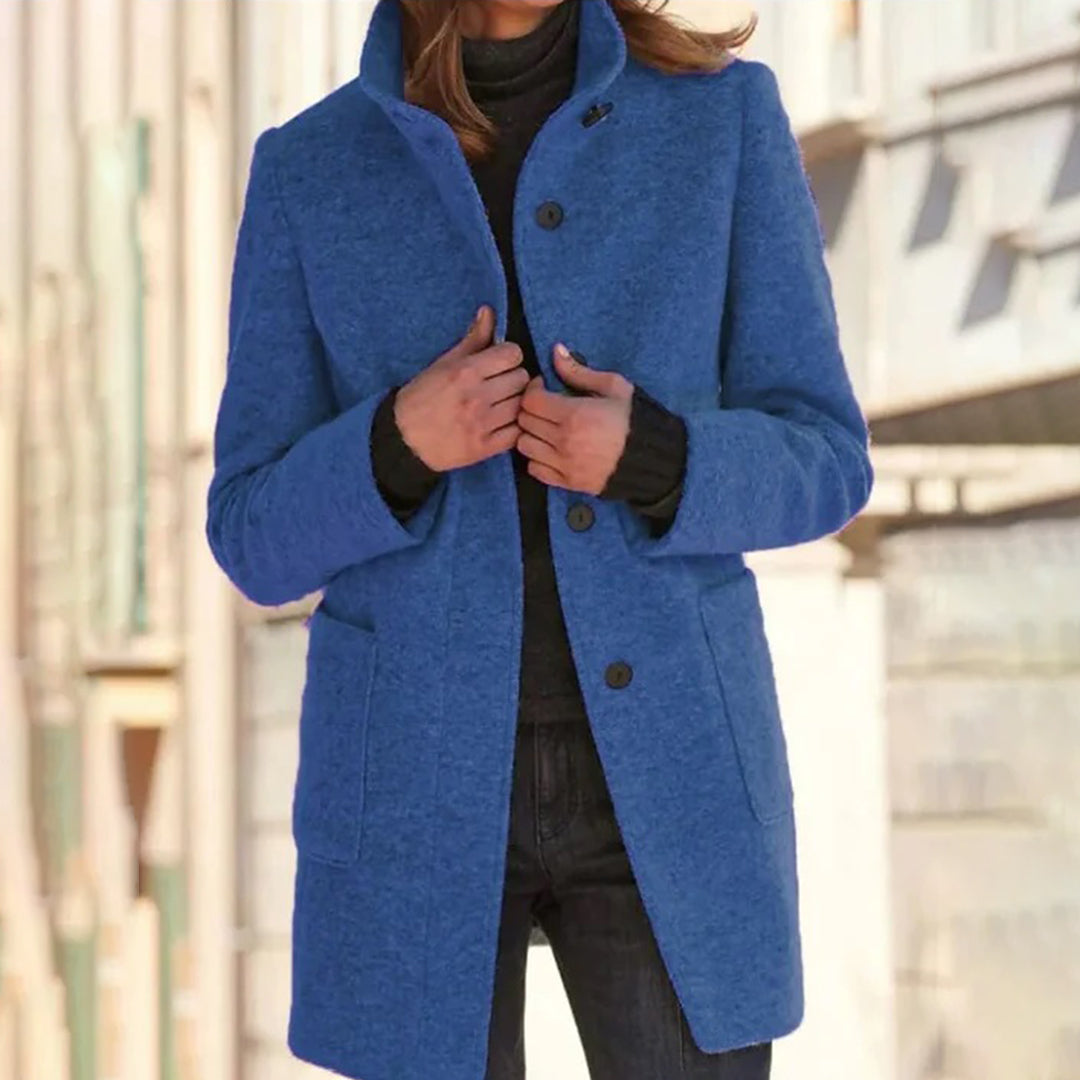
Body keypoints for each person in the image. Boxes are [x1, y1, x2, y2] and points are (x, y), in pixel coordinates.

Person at [205, 1, 874, 1078]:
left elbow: (828, 460)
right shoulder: (311, 168)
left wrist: (657, 455)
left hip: (670, 774)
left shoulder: (720, 121)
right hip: (409, 791)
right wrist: (393, 444)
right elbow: (250, 532)